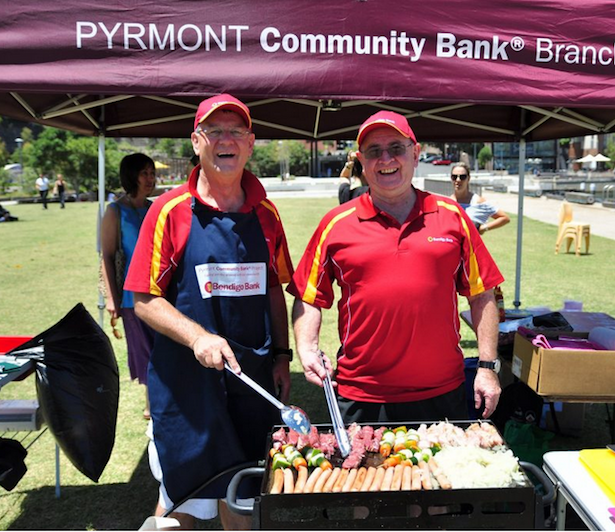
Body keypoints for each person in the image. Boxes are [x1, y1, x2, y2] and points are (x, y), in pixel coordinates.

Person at [125, 94, 294, 529]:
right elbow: (143, 299)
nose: (226, 140)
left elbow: (275, 288)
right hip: (188, 386)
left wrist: (281, 355)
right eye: (215, 131)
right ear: (196, 142)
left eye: (236, 131)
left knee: (246, 492)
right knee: (182, 497)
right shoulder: (168, 211)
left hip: (251, 379)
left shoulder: (266, 213)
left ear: (251, 143)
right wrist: (198, 337)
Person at [289, 111, 505, 425]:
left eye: (396, 148)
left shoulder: (452, 216)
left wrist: (486, 367)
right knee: (366, 476)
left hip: (441, 390)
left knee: (440, 476)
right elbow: (309, 297)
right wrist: (307, 349)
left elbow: (482, 294)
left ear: (415, 153)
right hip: (362, 394)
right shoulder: (335, 224)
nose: (386, 158)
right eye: (374, 151)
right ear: (361, 161)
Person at [100, 154, 156, 421]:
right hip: (131, 296)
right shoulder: (114, 211)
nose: (150, 179)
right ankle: (151, 402)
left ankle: (159, 398)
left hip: (159, 293)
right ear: (131, 176)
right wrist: (111, 297)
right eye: (144, 173)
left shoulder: (155, 207)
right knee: (143, 349)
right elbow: (107, 256)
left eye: (152, 173)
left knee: (162, 348)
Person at [450, 162, 510, 234]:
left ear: (468, 178)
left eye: (462, 177)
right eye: (454, 177)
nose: (458, 180)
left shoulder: (477, 201)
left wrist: (484, 228)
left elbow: (505, 218)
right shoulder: (447, 202)